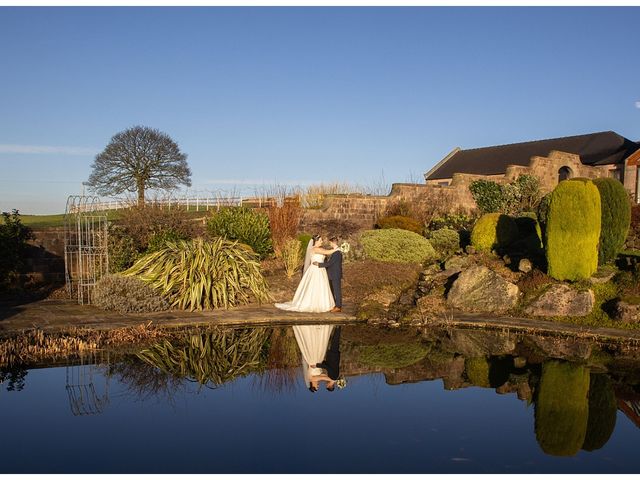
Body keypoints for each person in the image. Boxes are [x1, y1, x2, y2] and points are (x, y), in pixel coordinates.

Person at [274, 235, 338, 313]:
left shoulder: (320, 249)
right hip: (315, 270)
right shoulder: (314, 249)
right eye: (320, 240)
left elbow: (327, 253)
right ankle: (313, 304)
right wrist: (338, 248)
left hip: (321, 270)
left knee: (322, 286)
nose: (322, 241)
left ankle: (323, 303)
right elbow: (328, 252)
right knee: (315, 287)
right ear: (316, 241)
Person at [313, 236, 343, 313]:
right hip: (332, 274)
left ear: (333, 243)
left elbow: (329, 263)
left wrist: (319, 264)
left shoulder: (337, 252)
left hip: (335, 274)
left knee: (337, 291)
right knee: (333, 290)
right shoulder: (336, 251)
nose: (329, 244)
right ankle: (335, 305)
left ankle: (338, 307)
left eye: (330, 243)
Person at [312, 326, 341, 391]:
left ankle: (338, 327)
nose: (326, 384)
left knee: (335, 340)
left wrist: (321, 362)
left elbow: (328, 366)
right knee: (335, 340)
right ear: (330, 386)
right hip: (334, 356)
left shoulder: (334, 377)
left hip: (333, 356)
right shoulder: (333, 377)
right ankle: (338, 326)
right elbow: (328, 367)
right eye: (327, 386)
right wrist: (317, 365)